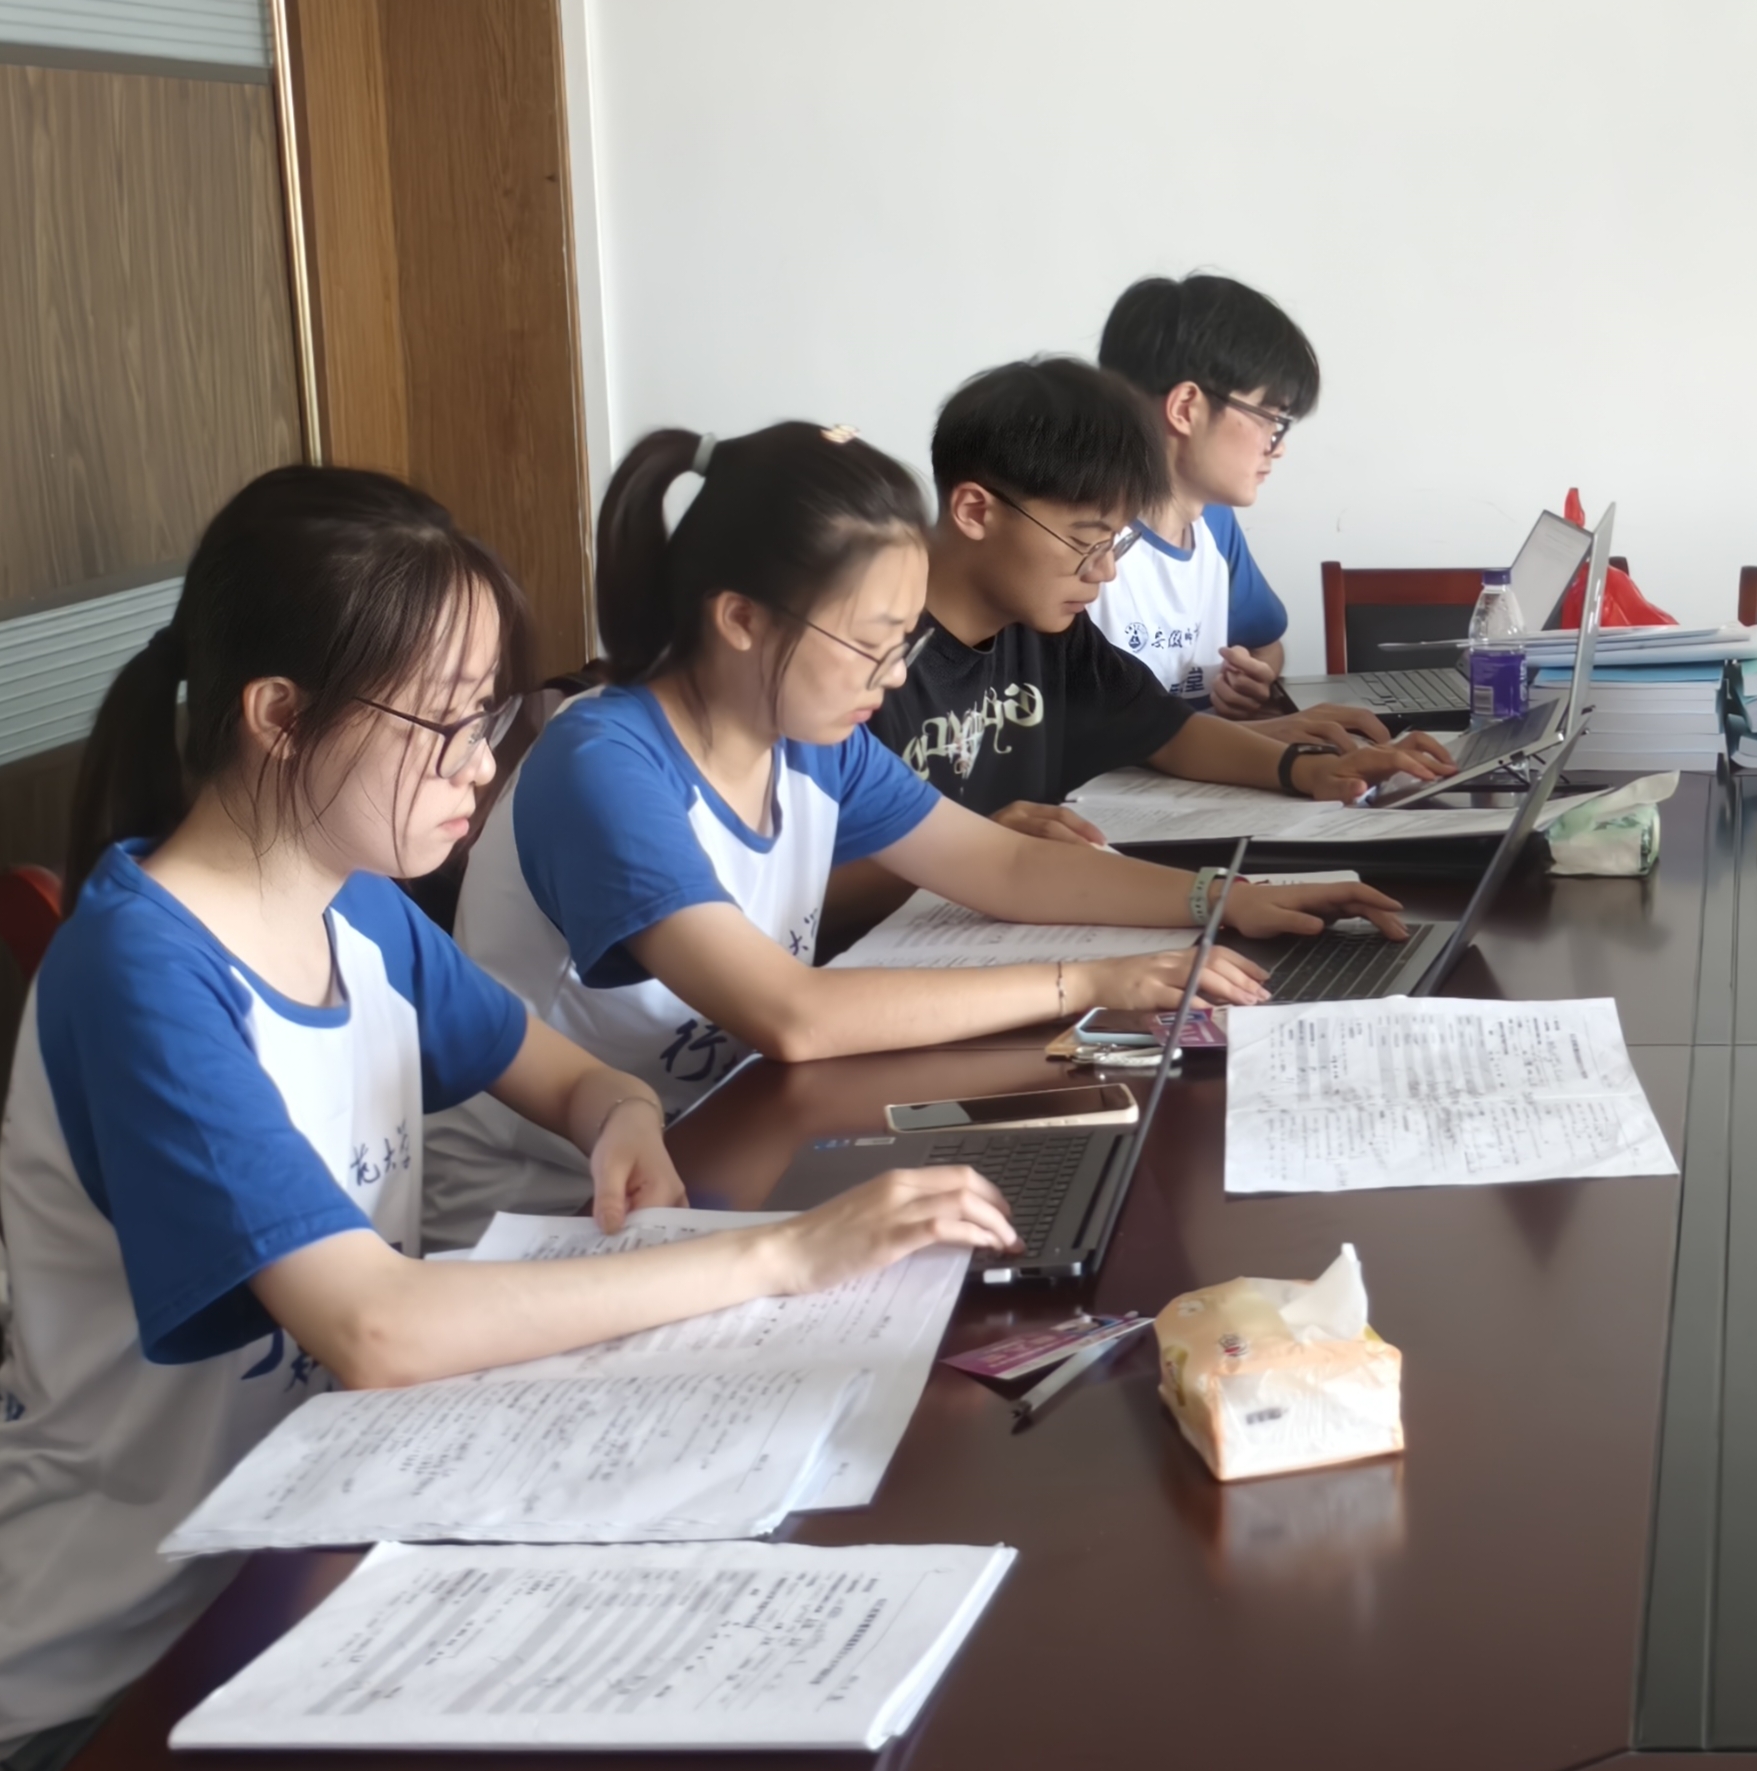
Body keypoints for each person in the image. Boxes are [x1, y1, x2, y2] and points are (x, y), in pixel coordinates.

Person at [0, 470, 1022, 1771]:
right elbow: (375, 1327)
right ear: (278, 714)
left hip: (286, 1577)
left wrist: (621, 1115)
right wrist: (782, 1258)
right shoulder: (144, 971)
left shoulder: (358, 908)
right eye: (444, 725)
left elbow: (572, 1078)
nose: (481, 768)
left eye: (490, 718)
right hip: (71, 1703)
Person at [426, 420, 1407, 1245]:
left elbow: (1005, 867)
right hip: (550, 1216)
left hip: (725, 1146)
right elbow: (792, 1016)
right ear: (742, 619)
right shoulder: (605, 763)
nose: (894, 677)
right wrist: (1091, 982)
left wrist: (1227, 899)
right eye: (870, 644)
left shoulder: (804, 738)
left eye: (903, 644)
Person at [870, 358, 1453, 846]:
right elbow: (827, 874)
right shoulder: (867, 658)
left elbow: (1163, 728)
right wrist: (969, 847)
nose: (1105, 570)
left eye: (1115, 542)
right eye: (1085, 540)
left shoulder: (1048, 634)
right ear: (976, 511)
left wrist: (1310, 769)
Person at [1093, 272, 1320, 718]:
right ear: (1186, 409)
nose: (1277, 445)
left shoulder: (1213, 523)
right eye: (1269, 417)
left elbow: (1265, 644)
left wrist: (1253, 678)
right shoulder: (1080, 538)